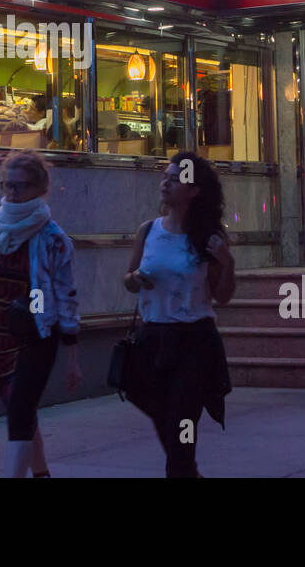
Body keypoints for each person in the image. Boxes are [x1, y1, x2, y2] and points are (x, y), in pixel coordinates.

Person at [0, 149, 81, 477]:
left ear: (40, 188)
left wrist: (72, 357)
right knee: (22, 411)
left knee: (20, 409)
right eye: (7, 186)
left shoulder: (53, 239)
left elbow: (66, 296)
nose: (12, 194)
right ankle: (41, 473)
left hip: (36, 336)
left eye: (21, 186)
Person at [123, 151, 236, 477]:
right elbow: (128, 280)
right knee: (166, 421)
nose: (167, 181)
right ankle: (190, 472)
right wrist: (135, 279)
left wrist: (226, 262)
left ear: (194, 191)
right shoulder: (148, 231)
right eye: (165, 176)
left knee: (184, 423)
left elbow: (224, 296)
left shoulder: (208, 240)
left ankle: (183, 471)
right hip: (153, 340)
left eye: (177, 178)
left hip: (194, 342)